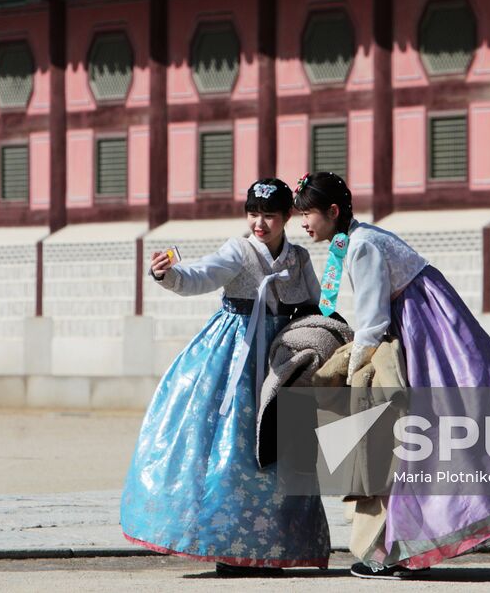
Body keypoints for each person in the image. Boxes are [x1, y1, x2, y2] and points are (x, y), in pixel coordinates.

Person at [293, 171, 490, 579]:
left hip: (421, 332)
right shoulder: (354, 240)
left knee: (411, 439)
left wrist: (352, 366)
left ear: (332, 212)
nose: (303, 222)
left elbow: (372, 321)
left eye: (308, 214)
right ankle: (401, 547)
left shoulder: (362, 246)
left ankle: (399, 549)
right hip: (425, 324)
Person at [120, 178, 332, 575]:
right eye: (253, 214)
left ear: (287, 217)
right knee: (227, 447)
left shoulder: (299, 259)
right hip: (234, 353)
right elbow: (201, 274)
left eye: (269, 215)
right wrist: (169, 275)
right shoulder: (238, 250)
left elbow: (315, 305)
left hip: (280, 358)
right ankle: (227, 544)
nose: (259, 223)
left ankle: (274, 546)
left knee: (280, 449)